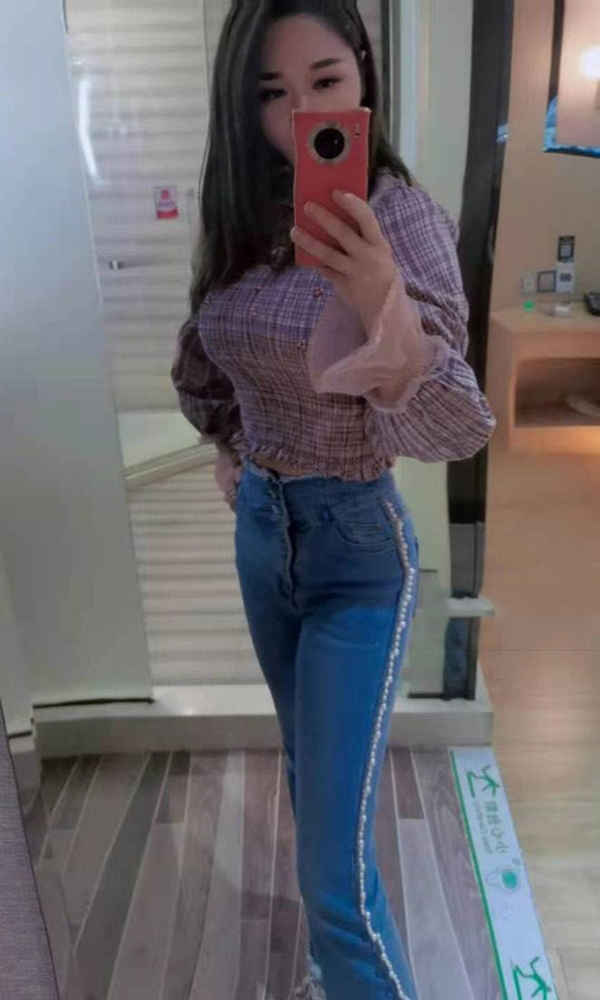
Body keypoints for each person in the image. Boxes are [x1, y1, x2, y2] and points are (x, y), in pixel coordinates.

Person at [172, 2, 495, 998]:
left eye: (324, 81)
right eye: (271, 94)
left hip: (356, 549)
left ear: (363, 73)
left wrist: (384, 306)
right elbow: (207, 358)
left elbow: (457, 424)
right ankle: (327, 971)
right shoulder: (244, 212)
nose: (299, 114)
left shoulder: (400, 219)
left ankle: (348, 972)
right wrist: (234, 448)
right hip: (263, 538)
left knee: (334, 874)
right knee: (313, 784)